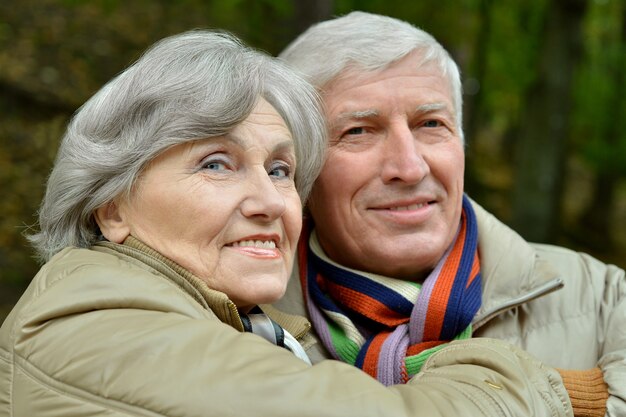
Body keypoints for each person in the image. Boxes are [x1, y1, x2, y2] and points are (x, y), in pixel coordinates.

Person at [0, 29, 572, 417]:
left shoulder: (241, 324)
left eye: (279, 169)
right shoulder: (93, 320)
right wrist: (545, 388)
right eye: (216, 163)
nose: (270, 201)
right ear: (112, 208)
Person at [273, 11, 626, 417]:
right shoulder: (236, 315)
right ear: (296, 166)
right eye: (358, 131)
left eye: (430, 124)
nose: (410, 167)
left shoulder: (605, 298)